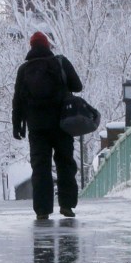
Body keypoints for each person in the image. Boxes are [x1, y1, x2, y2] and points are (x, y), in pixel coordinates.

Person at [12, 31, 83, 220]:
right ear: (48, 46)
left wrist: (17, 125)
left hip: (36, 128)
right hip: (62, 124)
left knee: (40, 167)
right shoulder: (60, 62)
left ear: (31, 47)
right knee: (65, 163)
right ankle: (67, 205)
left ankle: (42, 210)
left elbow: (17, 100)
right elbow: (78, 86)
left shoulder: (24, 69)